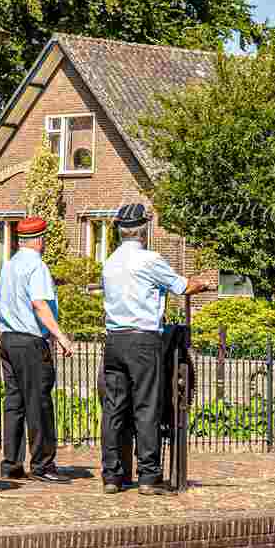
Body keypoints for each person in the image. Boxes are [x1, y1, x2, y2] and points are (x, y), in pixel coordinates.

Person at [99, 203, 212, 495]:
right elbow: (180, 286)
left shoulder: (109, 261)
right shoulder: (150, 260)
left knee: (113, 409)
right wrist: (203, 284)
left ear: (121, 232)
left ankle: (112, 476)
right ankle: (149, 476)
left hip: (114, 340)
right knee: (146, 406)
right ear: (144, 230)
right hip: (143, 340)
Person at [0, 216, 73, 483]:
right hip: (30, 341)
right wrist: (60, 336)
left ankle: (11, 463)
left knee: (14, 403)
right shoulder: (37, 267)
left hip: (8, 339)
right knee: (39, 403)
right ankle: (43, 465)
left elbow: (1, 303)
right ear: (40, 240)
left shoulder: (9, 265)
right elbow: (39, 304)